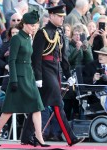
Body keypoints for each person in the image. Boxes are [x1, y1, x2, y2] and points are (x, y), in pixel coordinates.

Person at [21, 4, 84, 146]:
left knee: (38, 105)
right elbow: (36, 57)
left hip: (56, 72)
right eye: (59, 17)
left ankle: (26, 137)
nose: (62, 19)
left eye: (63, 17)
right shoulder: (42, 32)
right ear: (51, 16)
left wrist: (68, 75)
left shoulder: (60, 32)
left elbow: (63, 57)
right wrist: (38, 77)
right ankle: (70, 138)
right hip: (45, 72)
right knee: (57, 104)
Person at [0, 10, 50, 147]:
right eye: (31, 25)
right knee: (10, 108)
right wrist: (13, 80)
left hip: (28, 76)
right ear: (24, 24)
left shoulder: (28, 38)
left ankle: (39, 137)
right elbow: (11, 61)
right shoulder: (17, 38)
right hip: (18, 76)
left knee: (37, 106)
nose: (34, 27)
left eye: (35, 25)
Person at [82, 46, 107, 112]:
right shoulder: (90, 65)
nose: (100, 56)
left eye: (103, 55)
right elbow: (83, 81)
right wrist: (93, 79)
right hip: (95, 93)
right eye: (99, 54)